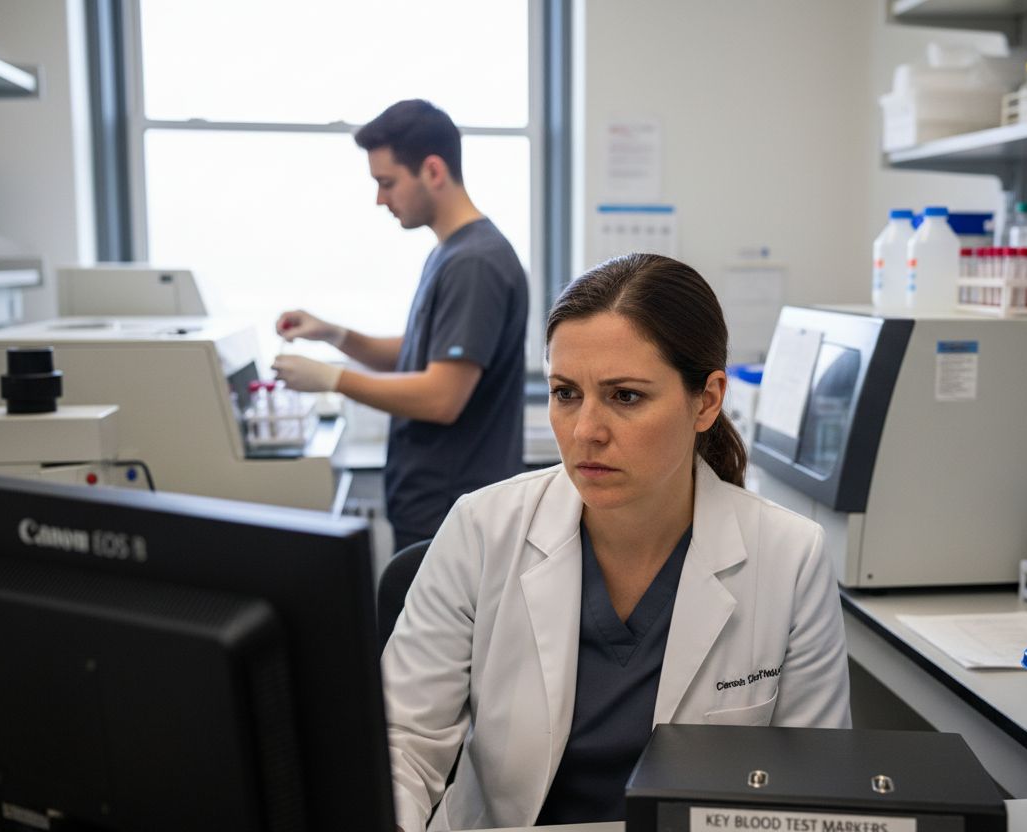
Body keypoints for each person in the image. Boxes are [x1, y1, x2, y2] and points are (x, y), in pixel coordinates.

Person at [383, 254, 851, 832]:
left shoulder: (790, 557)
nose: (586, 431)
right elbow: (402, 741)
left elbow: (813, 787)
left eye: (625, 396)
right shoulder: (481, 529)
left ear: (705, 401)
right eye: (565, 393)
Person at [272, 100, 528, 548]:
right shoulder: (451, 252)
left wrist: (332, 379)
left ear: (432, 171)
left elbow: (442, 396)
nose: (380, 199)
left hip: (451, 515)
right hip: (433, 510)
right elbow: (420, 352)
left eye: (386, 183)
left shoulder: (475, 263)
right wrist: (335, 335)